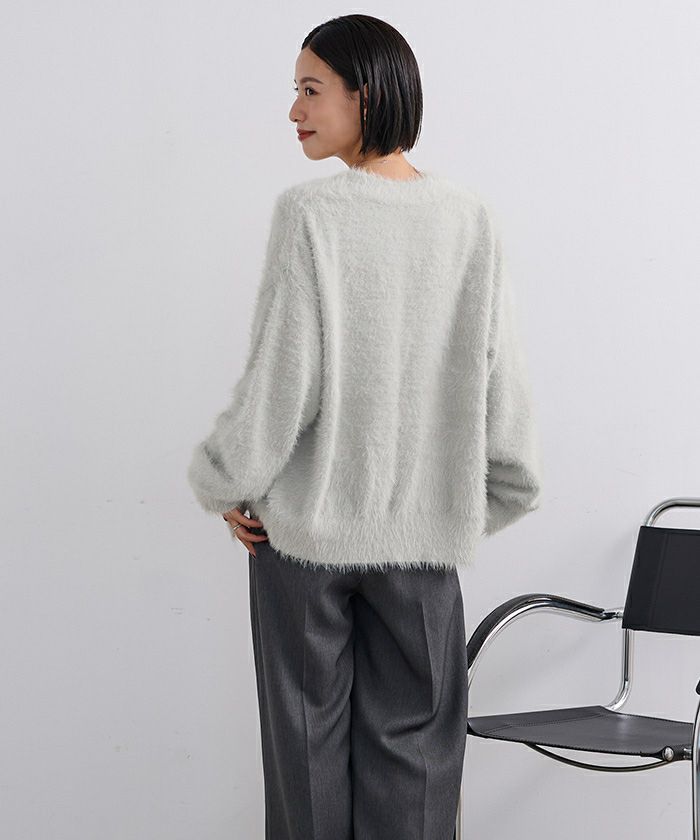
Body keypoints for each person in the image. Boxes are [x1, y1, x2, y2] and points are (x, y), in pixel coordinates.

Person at [187, 13, 543, 840]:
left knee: (305, 752)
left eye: (311, 90)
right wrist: (471, 500)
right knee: (417, 765)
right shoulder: (470, 218)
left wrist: (227, 483)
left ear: (367, 95)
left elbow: (282, 381)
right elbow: (505, 385)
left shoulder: (312, 215)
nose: (294, 111)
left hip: (304, 541)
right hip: (422, 547)